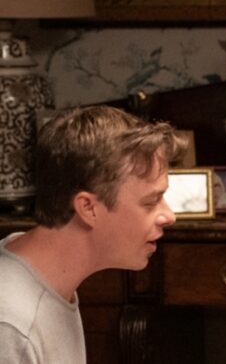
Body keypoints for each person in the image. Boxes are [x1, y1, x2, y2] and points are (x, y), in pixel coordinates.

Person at [0, 106, 185, 363]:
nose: (169, 216)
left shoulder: (48, 278)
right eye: (151, 202)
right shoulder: (12, 328)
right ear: (88, 208)